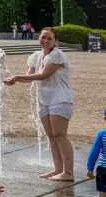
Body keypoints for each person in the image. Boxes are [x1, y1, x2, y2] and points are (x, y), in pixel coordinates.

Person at [5, 27, 75, 181]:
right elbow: (29, 77)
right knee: (51, 136)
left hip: (60, 98)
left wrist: (16, 76)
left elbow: (44, 75)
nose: (46, 40)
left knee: (60, 135)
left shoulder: (57, 55)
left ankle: (68, 172)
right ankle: (58, 169)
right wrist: (14, 81)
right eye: (43, 37)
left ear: (55, 41)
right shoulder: (36, 56)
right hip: (45, 100)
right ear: (39, 38)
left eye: (49, 38)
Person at [85, 109, 106, 197]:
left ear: (104, 118)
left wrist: (90, 168)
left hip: (104, 171)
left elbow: (94, 153)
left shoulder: (102, 135)